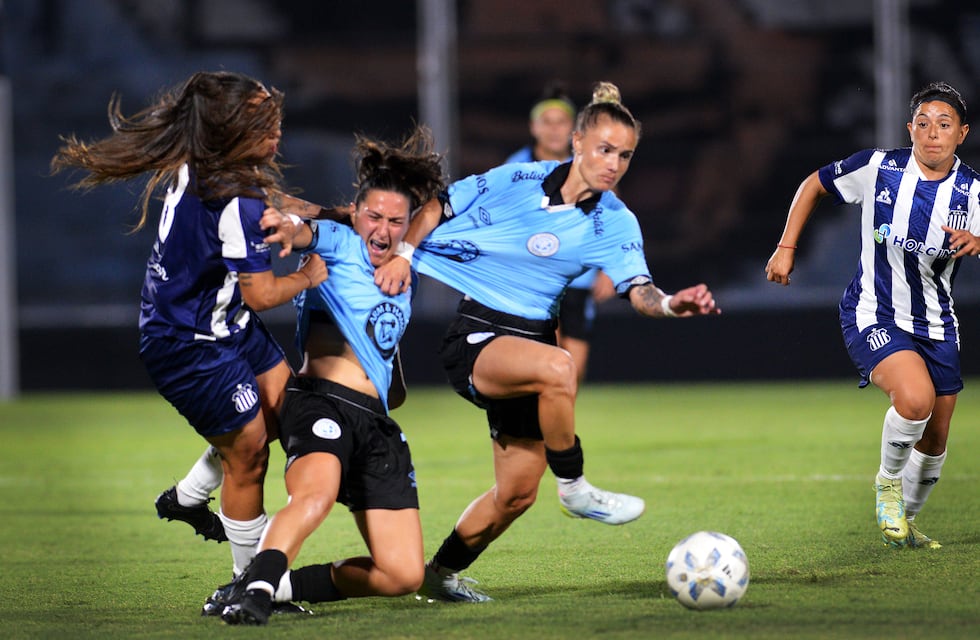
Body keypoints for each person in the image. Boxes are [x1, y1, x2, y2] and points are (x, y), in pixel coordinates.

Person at [375, 81, 720, 602]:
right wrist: (402, 255)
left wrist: (672, 304)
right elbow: (437, 206)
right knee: (560, 368)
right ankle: (575, 487)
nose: (614, 164)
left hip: (529, 342)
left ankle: (438, 575)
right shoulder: (518, 176)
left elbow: (640, 290)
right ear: (577, 142)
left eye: (625, 155)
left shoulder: (616, 221)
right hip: (477, 336)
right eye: (605, 149)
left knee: (515, 495)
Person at [50, 71, 328, 577]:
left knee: (284, 413)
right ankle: (249, 586)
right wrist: (308, 276)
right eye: (262, 121)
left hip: (223, 324)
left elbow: (267, 205)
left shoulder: (204, 162)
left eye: (275, 117)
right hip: (189, 345)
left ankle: (188, 496)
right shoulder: (237, 200)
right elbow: (263, 294)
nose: (276, 130)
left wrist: (333, 215)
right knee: (249, 455)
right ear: (227, 128)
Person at [211, 127, 446, 625]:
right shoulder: (340, 242)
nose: (383, 229)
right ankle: (255, 591)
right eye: (374, 216)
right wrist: (287, 227)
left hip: (375, 423)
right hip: (322, 402)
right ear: (355, 214)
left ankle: (282, 584)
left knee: (403, 574)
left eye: (396, 221)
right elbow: (304, 231)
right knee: (313, 497)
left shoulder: (407, 265)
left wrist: (407, 253)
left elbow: (438, 207)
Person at [765, 81, 980, 549]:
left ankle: (906, 522)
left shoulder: (973, 192)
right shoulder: (878, 167)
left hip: (938, 324)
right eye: (923, 123)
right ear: (910, 129)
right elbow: (814, 184)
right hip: (873, 313)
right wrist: (786, 247)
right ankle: (887, 484)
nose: (933, 133)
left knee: (936, 439)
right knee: (916, 400)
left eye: (944, 125)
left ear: (961, 133)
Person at [506, 82, 615, 382]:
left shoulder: (591, 165)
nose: (554, 130)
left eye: (561, 122)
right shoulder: (515, 167)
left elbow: (611, 218)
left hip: (578, 277)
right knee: (548, 363)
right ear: (534, 127)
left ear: (573, 129)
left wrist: (609, 269)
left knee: (574, 369)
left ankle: (560, 413)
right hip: (535, 279)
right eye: (547, 122)